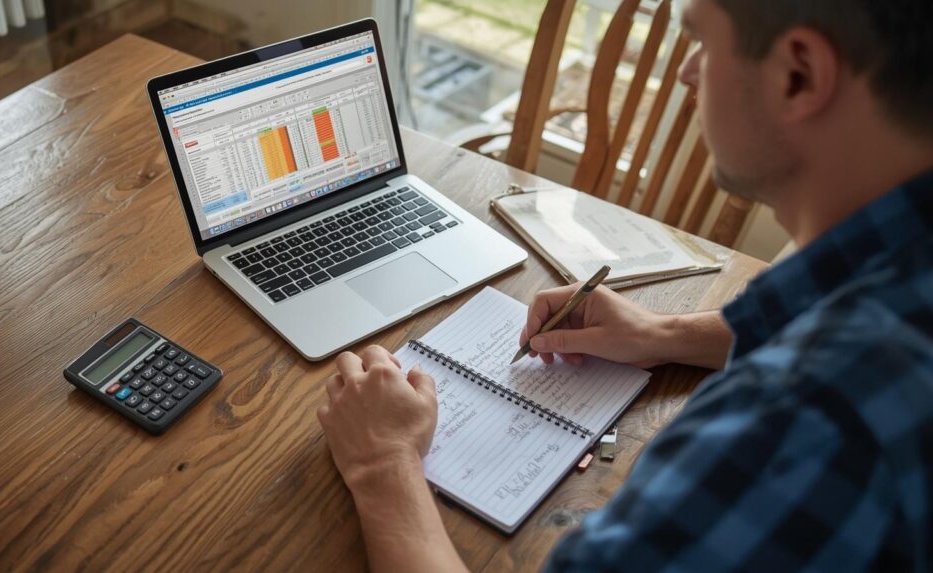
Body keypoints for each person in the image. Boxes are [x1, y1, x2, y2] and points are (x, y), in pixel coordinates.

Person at [316, 0, 933, 569]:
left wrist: (383, 463)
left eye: (702, 43)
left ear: (797, 75)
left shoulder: (802, 426)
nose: (688, 73)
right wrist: (665, 333)